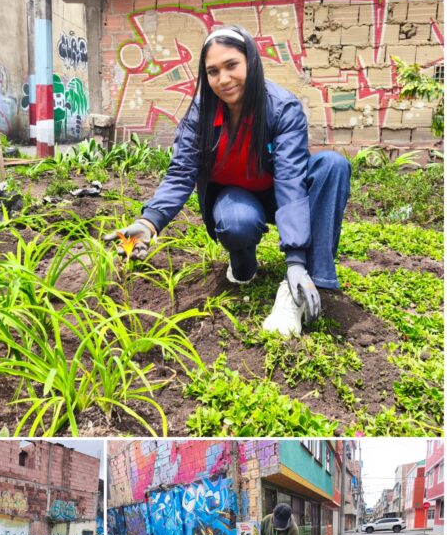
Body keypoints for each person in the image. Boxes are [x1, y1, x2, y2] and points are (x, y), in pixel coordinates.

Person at [110, 24, 351, 337]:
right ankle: (243, 265)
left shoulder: (282, 108)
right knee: (237, 223)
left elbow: (291, 180)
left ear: (251, 61)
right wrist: (149, 222)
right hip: (236, 196)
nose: (223, 79)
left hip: (279, 191)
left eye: (231, 65)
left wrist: (294, 261)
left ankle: (300, 288)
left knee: (332, 165)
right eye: (212, 71)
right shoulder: (201, 113)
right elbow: (181, 171)